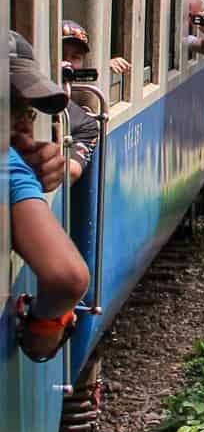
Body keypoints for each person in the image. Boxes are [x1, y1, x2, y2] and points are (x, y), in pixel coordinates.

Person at [9, 36, 89, 363]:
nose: (27, 125)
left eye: (29, 112)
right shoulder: (8, 167)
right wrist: (43, 328)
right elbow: (69, 278)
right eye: (15, 108)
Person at [57, 21, 125, 184]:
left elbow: (72, 171)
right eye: (60, 54)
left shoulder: (85, 123)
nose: (67, 63)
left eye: (75, 57)